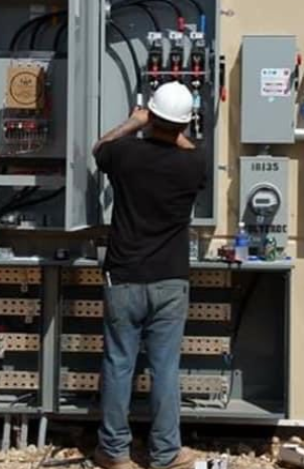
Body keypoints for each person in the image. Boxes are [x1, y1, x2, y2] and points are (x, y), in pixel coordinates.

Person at [92, 81, 206, 469]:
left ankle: (114, 452)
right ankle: (164, 452)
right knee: (165, 369)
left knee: (118, 364)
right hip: (171, 280)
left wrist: (133, 123)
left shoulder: (124, 154)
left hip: (123, 277)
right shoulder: (193, 163)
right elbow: (190, 150)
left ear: (151, 115)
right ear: (186, 124)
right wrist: (176, 130)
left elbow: (98, 148)